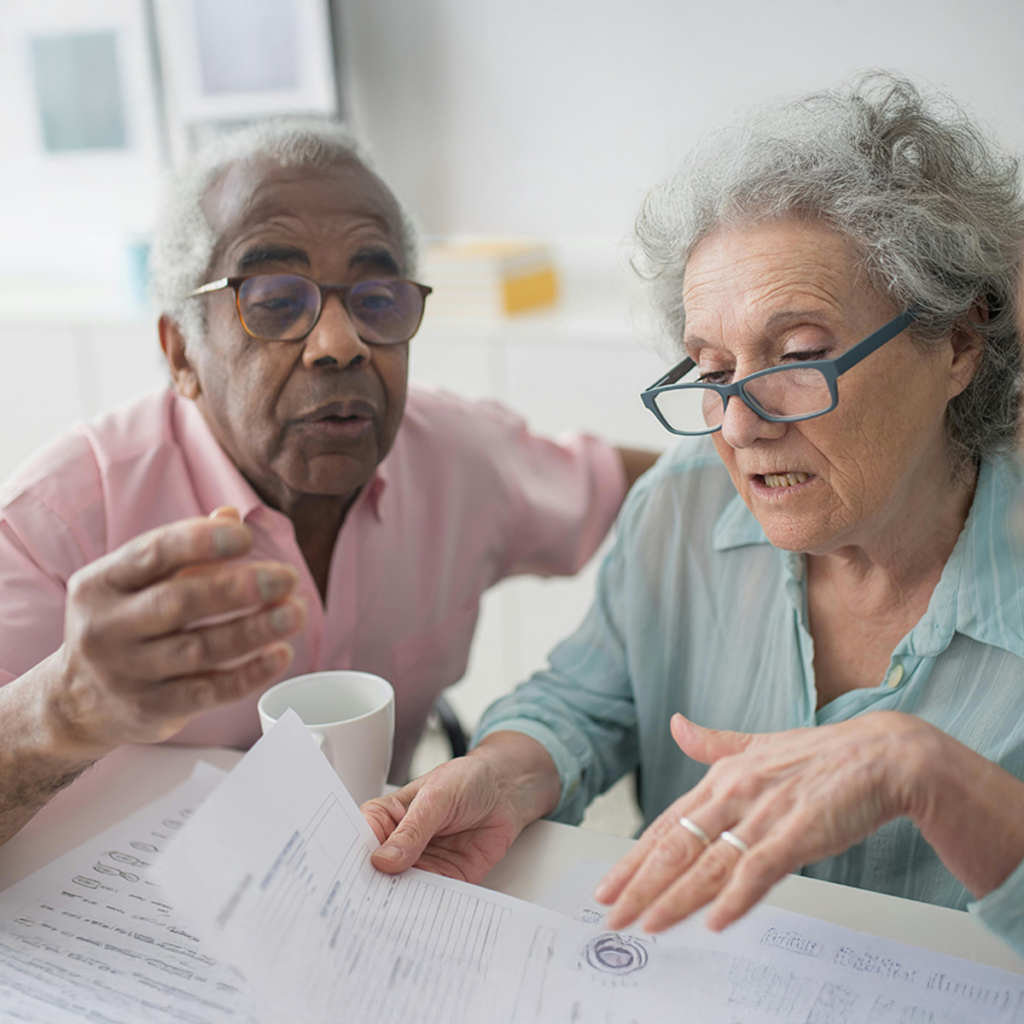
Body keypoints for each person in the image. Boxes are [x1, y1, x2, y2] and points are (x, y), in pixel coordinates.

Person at [363, 73, 1024, 956]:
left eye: (797, 356)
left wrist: (933, 776)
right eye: (712, 372)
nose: (741, 426)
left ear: (958, 342)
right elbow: (586, 700)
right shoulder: (683, 503)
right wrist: (506, 774)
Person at [0, 120, 656, 848]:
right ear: (181, 351)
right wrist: (60, 712)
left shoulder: (461, 458)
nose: (340, 342)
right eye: (276, 300)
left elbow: (672, 491)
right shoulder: (59, 521)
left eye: (377, 299)